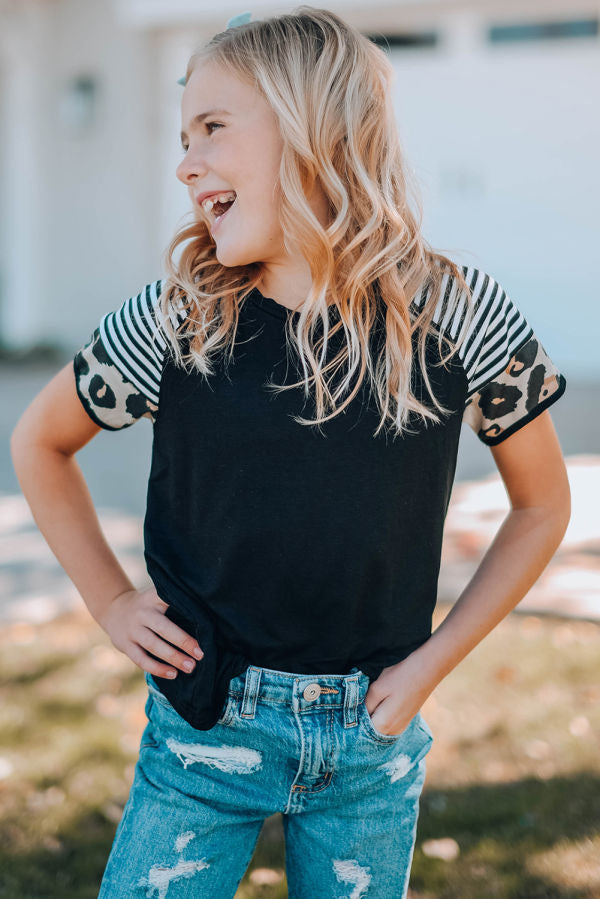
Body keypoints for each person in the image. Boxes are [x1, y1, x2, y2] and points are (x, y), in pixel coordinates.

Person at [10, 6, 570, 898]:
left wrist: (434, 662)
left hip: (370, 749)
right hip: (203, 730)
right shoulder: (180, 317)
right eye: (181, 134)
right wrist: (113, 600)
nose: (185, 161)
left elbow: (544, 505)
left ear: (316, 130)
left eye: (213, 128)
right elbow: (40, 440)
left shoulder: (454, 312)